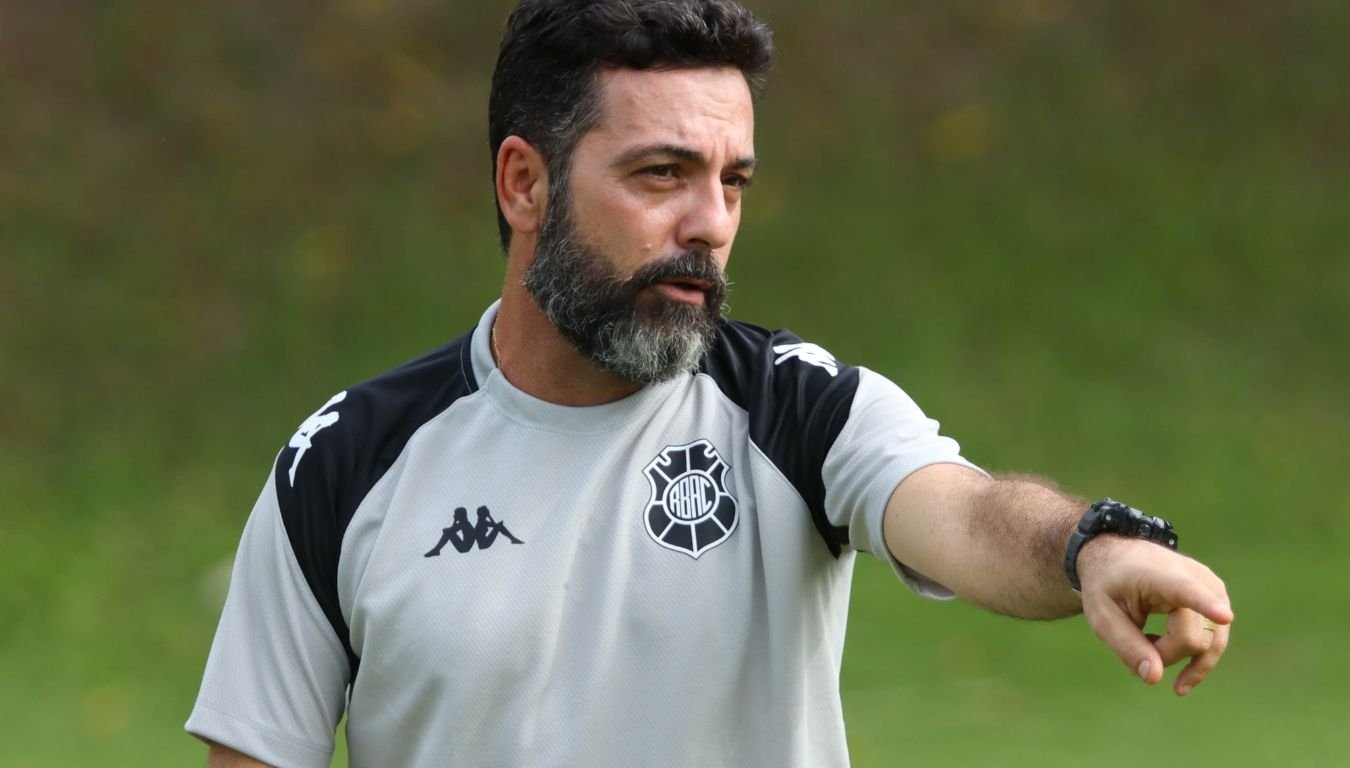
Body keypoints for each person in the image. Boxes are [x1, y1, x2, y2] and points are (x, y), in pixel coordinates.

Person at [186, 1, 1233, 765]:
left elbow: (964, 516)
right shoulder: (347, 464)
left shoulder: (797, 412)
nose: (710, 223)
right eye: (660, 174)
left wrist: (1089, 542)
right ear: (524, 182)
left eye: (731, 182)